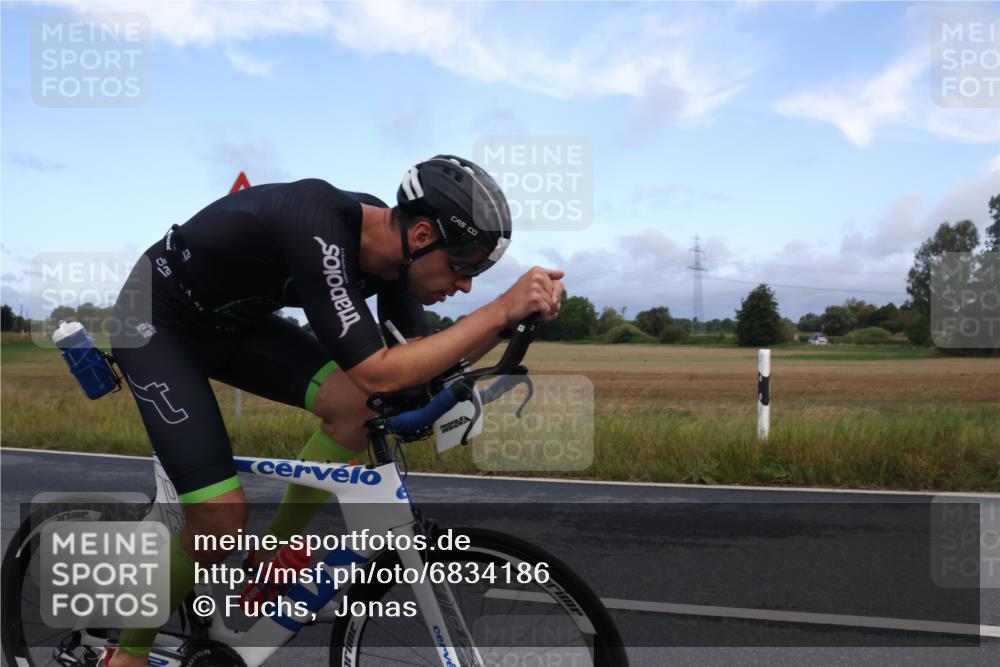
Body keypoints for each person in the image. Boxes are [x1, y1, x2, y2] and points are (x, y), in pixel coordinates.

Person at [105, 154, 563, 666]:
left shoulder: (395, 265)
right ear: (421, 238)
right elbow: (378, 371)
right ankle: (127, 654)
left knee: (356, 406)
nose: (465, 287)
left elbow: (418, 374)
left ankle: (271, 559)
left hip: (232, 328)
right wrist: (499, 308)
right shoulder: (318, 224)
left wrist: (508, 327)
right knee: (219, 517)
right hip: (155, 323)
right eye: (464, 266)